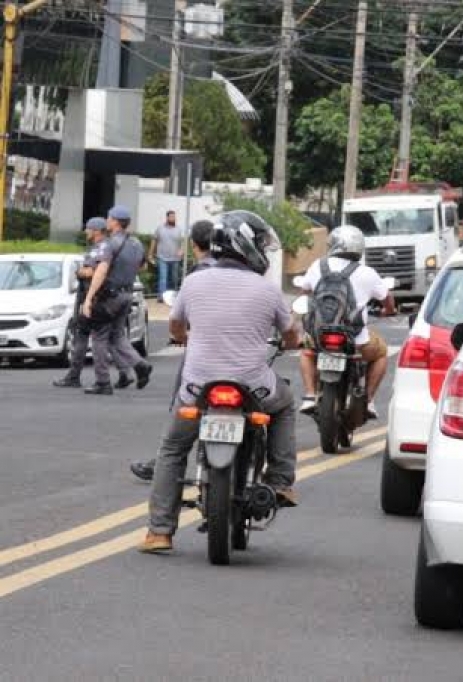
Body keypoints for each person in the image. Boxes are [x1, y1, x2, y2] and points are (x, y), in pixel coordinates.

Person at [139, 211, 302, 554]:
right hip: (253, 387)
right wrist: (290, 344)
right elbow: (290, 335)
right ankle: (280, 481)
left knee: (172, 449)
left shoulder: (194, 282)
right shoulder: (267, 290)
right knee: (285, 404)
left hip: (198, 388)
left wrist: (185, 337)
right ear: (246, 245)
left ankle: (159, 532)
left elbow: (175, 327)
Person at [129, 219, 218, 483]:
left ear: (193, 243)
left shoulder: (196, 275)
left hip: (201, 355)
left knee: (183, 405)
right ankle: (279, 476)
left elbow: (177, 322)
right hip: (242, 361)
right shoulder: (248, 275)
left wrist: (183, 337)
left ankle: (163, 471)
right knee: (276, 406)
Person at [297, 225, 395, 417]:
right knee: (381, 353)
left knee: (307, 352)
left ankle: (309, 395)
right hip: (355, 341)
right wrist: (388, 310)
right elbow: (387, 299)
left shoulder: (318, 265)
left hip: (320, 336)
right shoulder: (367, 272)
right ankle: (368, 401)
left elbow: (305, 292)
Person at [53, 218, 136, 390]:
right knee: (107, 337)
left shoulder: (102, 247)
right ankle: (121, 373)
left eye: (88, 229)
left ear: (97, 230)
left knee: (93, 337)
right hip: (98, 298)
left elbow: (92, 271)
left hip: (96, 298)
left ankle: (95, 379)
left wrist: (80, 273)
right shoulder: (105, 246)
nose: (86, 232)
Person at [80, 206, 153, 395]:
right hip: (127, 294)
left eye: (109, 218)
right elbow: (143, 267)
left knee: (99, 337)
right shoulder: (136, 243)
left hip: (109, 297)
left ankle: (103, 382)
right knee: (118, 335)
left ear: (115, 221)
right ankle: (140, 365)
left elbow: (101, 271)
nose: (107, 221)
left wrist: (88, 299)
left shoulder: (109, 244)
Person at [149, 210, 184, 297]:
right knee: (163, 278)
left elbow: (181, 243)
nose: (173, 218)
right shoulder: (160, 228)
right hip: (162, 257)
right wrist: (150, 254)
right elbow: (154, 241)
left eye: (174, 217)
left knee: (174, 279)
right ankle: (161, 296)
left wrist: (181, 250)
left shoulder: (178, 229)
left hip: (175, 258)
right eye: (171, 216)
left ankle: (173, 296)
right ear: (167, 217)